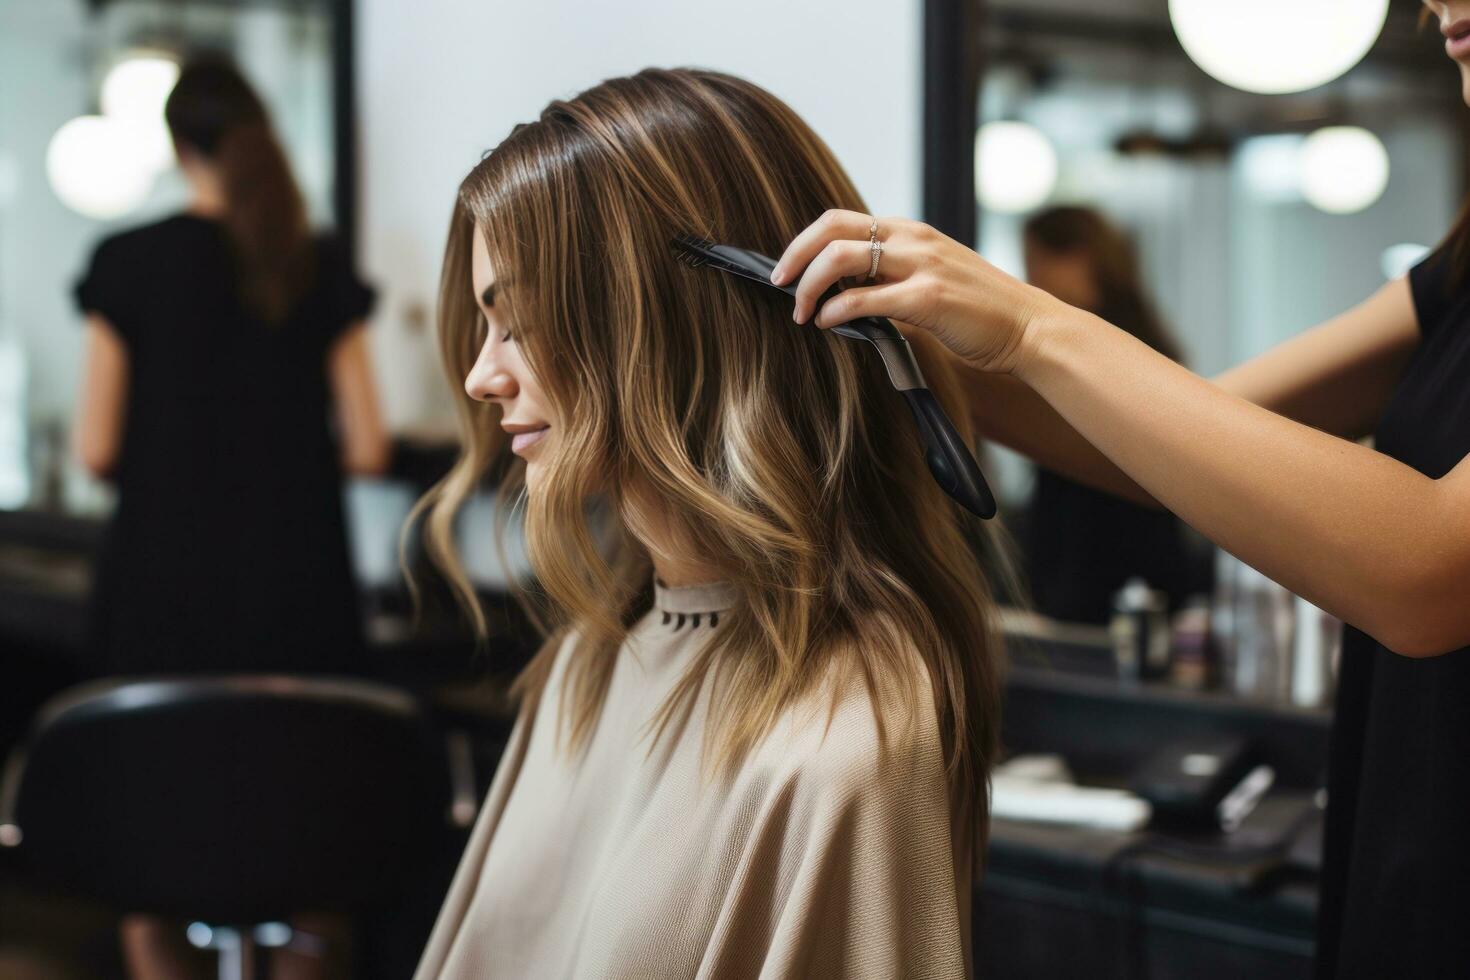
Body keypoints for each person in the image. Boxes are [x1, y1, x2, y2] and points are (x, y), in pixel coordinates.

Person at [769, 4, 1470, 974]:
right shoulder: (1459, 274)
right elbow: (1186, 443)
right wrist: (885, 337)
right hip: (1414, 840)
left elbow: (1435, 567)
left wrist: (1031, 326)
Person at [410, 68, 1004, 979]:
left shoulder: (841, 741)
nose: (482, 376)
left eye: (520, 320)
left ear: (683, 318)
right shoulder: (591, 663)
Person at [71, 54, 386, 980]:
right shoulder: (310, 259)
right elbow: (367, 446)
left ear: (179, 147)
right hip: (300, 595)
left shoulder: (127, 263)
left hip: (161, 600)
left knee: (154, 866)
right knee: (313, 852)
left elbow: (94, 446)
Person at [1019, 206, 1192, 623]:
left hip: (1109, 586)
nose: (1030, 280)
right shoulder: (1145, 347)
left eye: (1038, 262)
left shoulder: (1115, 355)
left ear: (1079, 259)